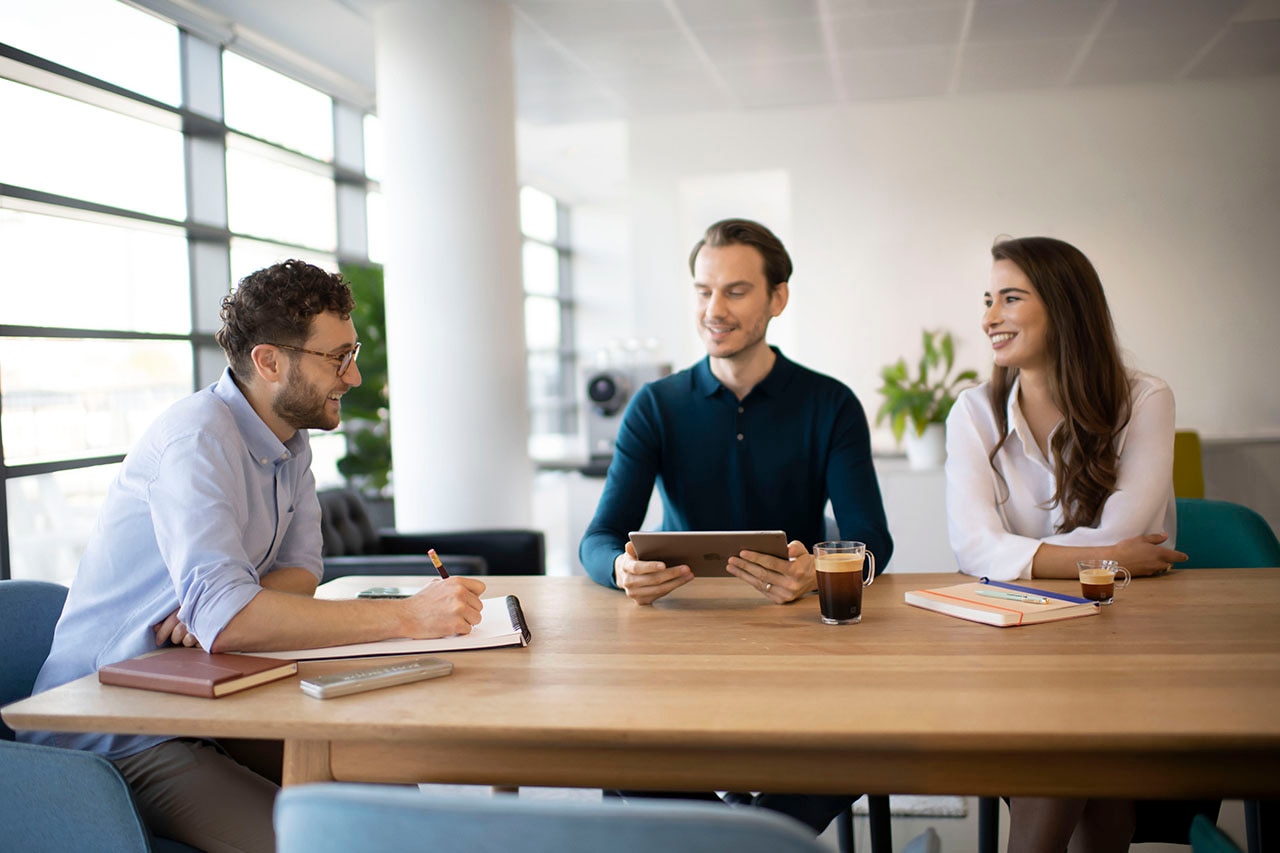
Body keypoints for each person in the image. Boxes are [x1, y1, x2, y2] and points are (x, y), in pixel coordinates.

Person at [19, 260, 486, 853]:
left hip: (212, 697)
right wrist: (406, 617)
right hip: (118, 728)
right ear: (269, 362)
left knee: (387, 790)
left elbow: (303, 572)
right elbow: (234, 618)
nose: (357, 376)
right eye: (336, 357)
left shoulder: (290, 439)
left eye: (353, 352)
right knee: (322, 843)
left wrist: (229, 611)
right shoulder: (197, 440)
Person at [579, 218, 893, 834]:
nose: (714, 309)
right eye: (703, 291)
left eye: (736, 291)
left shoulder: (831, 404)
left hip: (799, 641)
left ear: (778, 297)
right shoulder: (655, 405)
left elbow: (871, 541)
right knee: (612, 744)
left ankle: (739, 836)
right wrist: (621, 569)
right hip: (679, 645)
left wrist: (819, 571)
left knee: (863, 741)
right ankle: (757, 838)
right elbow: (598, 538)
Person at [944, 236, 1213, 851]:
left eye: (1010, 298)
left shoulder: (1145, 398)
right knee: (1072, 733)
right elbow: (972, 550)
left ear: (1065, 308)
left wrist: (1067, 556)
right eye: (988, 300)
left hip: (1131, 644)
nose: (989, 318)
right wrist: (1103, 561)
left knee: (1076, 729)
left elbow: (1124, 530)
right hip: (1018, 649)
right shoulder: (971, 414)